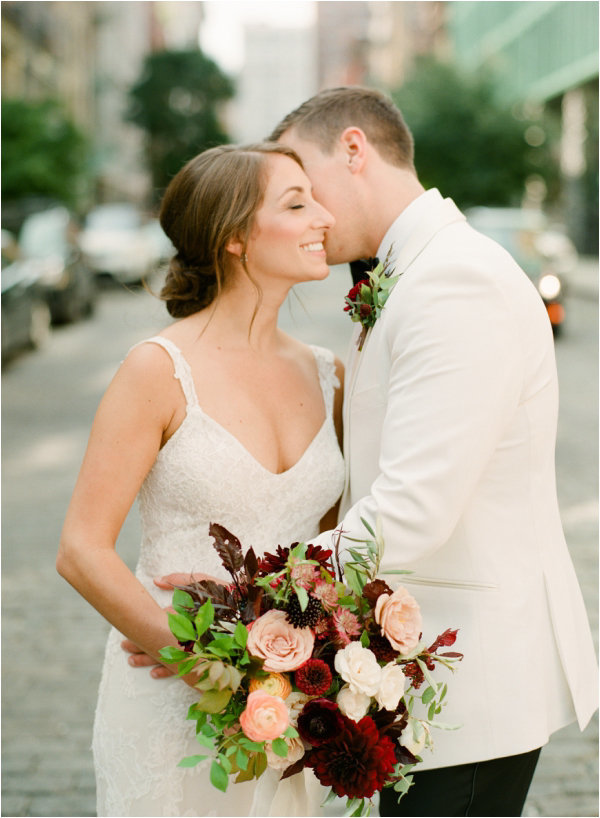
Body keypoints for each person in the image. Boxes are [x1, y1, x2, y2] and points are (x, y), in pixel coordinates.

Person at [133, 86, 598, 815]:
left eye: (304, 185)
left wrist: (239, 616)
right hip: (428, 679)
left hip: (476, 679)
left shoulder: (455, 282)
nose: (312, 216)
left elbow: (409, 510)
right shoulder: (412, 273)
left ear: (353, 150)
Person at [56, 142, 345, 817]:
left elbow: (331, 550)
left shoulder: (329, 374)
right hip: (171, 704)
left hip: (287, 708)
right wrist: (207, 666)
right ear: (235, 237)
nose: (324, 216)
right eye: (297, 203)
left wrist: (305, 664)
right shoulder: (157, 370)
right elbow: (81, 550)